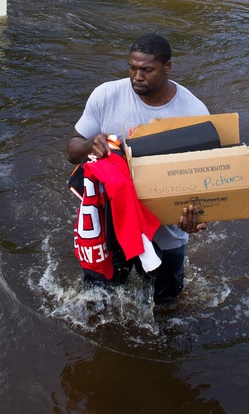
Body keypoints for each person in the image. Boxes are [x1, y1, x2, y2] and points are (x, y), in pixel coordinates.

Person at [66, 33, 209, 305]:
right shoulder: (106, 95)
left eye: (146, 70)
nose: (136, 76)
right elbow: (72, 151)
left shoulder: (194, 113)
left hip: (166, 227)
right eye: (132, 67)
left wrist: (199, 217)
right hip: (114, 218)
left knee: (166, 303)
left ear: (167, 67)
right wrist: (88, 144)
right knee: (100, 298)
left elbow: (205, 179)